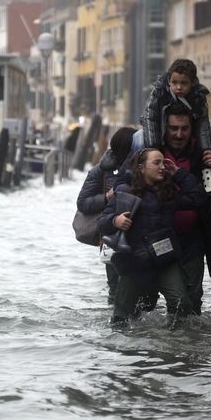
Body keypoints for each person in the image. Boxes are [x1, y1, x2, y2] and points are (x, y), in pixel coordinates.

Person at [99, 147, 206, 326]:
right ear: (141, 168)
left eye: (163, 162)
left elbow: (198, 199)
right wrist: (115, 220)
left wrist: (179, 174)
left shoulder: (168, 192)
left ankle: (172, 342)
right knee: (121, 319)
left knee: (181, 303)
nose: (162, 167)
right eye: (156, 163)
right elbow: (102, 222)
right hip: (134, 262)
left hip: (165, 261)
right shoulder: (125, 190)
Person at [162, 104, 211, 314]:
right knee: (164, 299)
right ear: (165, 128)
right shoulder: (154, 152)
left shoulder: (203, 155)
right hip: (162, 235)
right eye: (174, 128)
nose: (179, 134)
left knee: (192, 299)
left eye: (184, 128)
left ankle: (190, 342)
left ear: (191, 128)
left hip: (195, 237)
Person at [138, 58, 211, 196]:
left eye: (183, 83)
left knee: (206, 155)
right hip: (157, 138)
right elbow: (150, 117)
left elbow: (203, 125)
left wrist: (207, 149)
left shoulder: (199, 97)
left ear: (192, 83)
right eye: (175, 83)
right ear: (169, 80)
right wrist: (153, 146)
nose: (179, 88)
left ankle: (210, 179)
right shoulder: (159, 93)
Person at [76, 126, 136, 303]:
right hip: (112, 236)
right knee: (116, 289)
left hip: (139, 234)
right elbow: (82, 203)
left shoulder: (144, 166)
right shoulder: (100, 171)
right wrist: (106, 197)